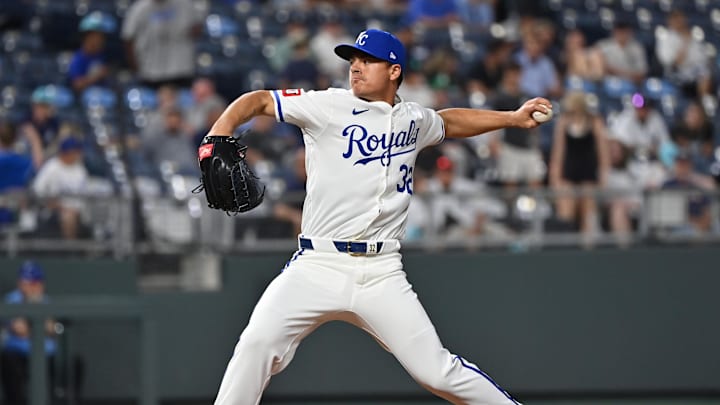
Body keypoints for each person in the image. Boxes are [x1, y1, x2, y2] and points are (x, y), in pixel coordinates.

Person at [208, 29, 551, 403]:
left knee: (436, 371)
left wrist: (513, 119)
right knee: (256, 344)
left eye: (367, 60)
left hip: (382, 271)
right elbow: (258, 101)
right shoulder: (326, 106)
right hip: (318, 263)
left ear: (394, 71)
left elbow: (448, 122)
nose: (355, 67)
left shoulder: (413, 119)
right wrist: (217, 135)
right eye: (353, 60)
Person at [549, 92, 610, 243]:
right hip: (568, 172)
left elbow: (603, 153)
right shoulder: (563, 122)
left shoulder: (595, 122)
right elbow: (558, 153)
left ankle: (587, 248)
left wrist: (604, 177)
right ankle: (566, 248)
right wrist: (555, 179)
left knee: (588, 215)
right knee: (566, 213)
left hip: (588, 172)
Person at [0, 261, 57, 405]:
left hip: (44, 354)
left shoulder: (45, 300)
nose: (29, 286)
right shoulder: (11, 299)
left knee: (45, 389)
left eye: (33, 282)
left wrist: (35, 304)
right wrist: (38, 329)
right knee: (11, 368)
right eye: (26, 281)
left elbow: (51, 329)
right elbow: (20, 330)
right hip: (17, 353)